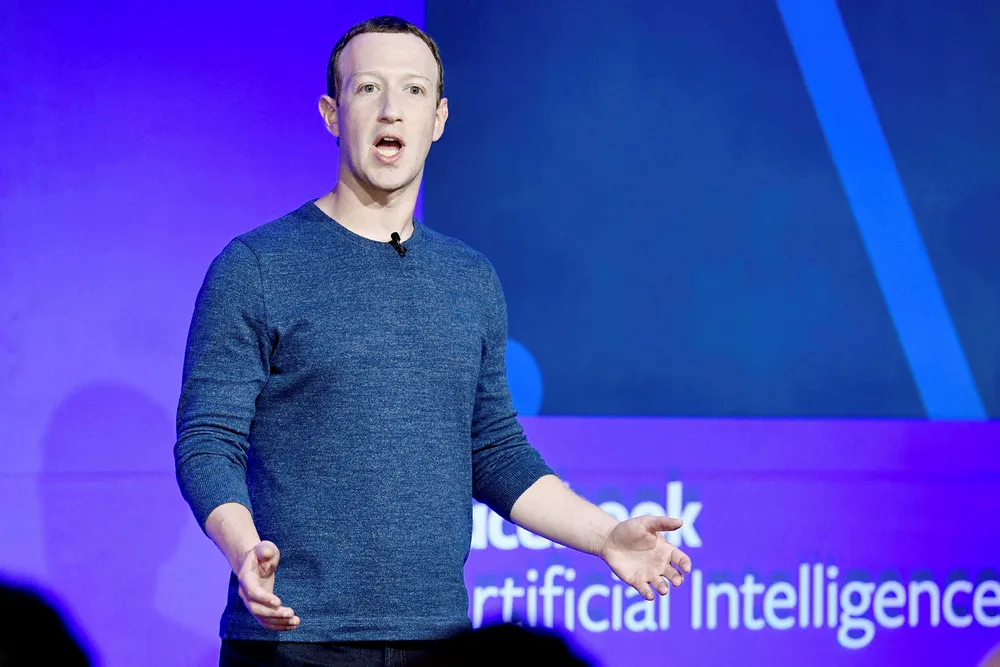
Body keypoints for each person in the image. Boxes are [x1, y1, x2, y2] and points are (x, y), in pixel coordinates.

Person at [174, 15, 691, 667]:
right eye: (368, 88)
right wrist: (244, 547)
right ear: (333, 113)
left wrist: (607, 535)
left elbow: (494, 451)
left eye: (413, 90)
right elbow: (207, 439)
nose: (391, 108)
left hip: (438, 642)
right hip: (292, 641)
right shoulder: (256, 265)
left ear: (438, 118)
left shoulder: (469, 279)